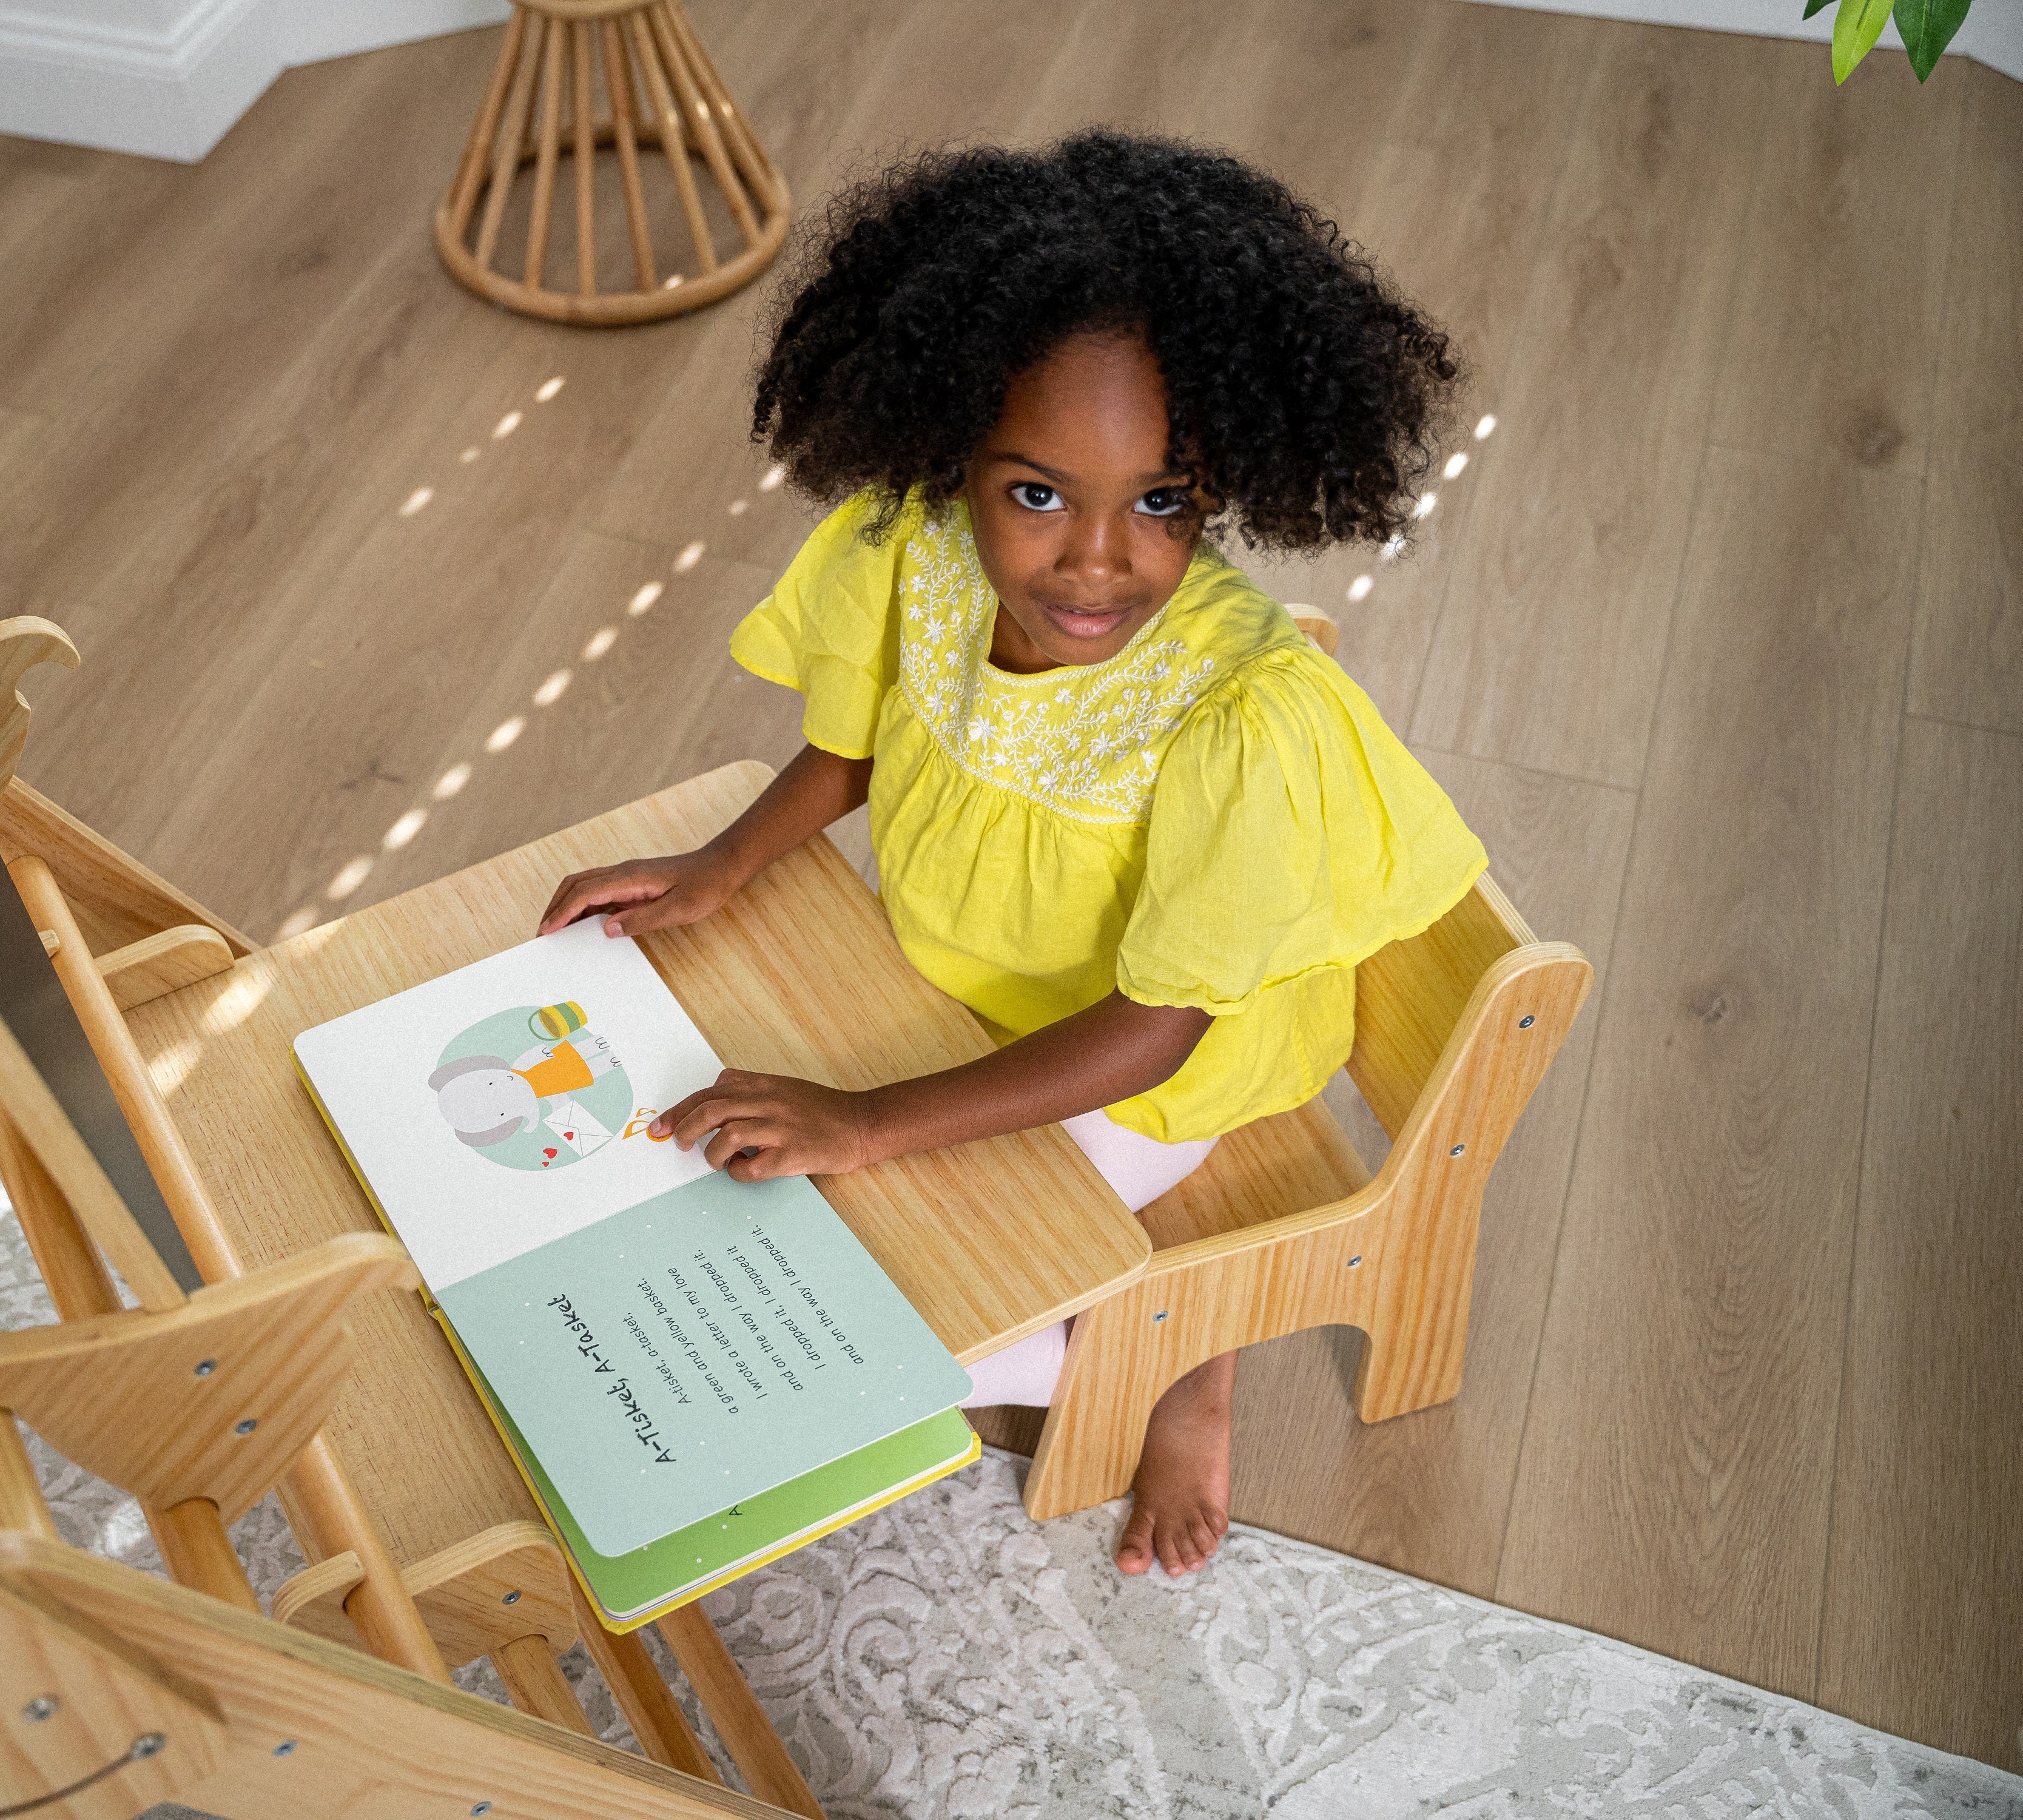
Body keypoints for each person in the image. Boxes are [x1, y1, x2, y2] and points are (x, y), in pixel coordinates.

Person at [538, 132, 1486, 1579]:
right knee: (731, 1178)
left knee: (869, 1316)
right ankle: (1123, 1312)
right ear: (949, 453)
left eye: (1161, 501)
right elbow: (859, 744)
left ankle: (1183, 1352)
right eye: (1036, 494)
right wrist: (719, 866)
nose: (1096, 563)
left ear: (1223, 479)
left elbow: (1161, 1030)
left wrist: (864, 1121)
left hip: (1147, 1064)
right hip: (958, 980)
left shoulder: (1240, 715)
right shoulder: (906, 550)